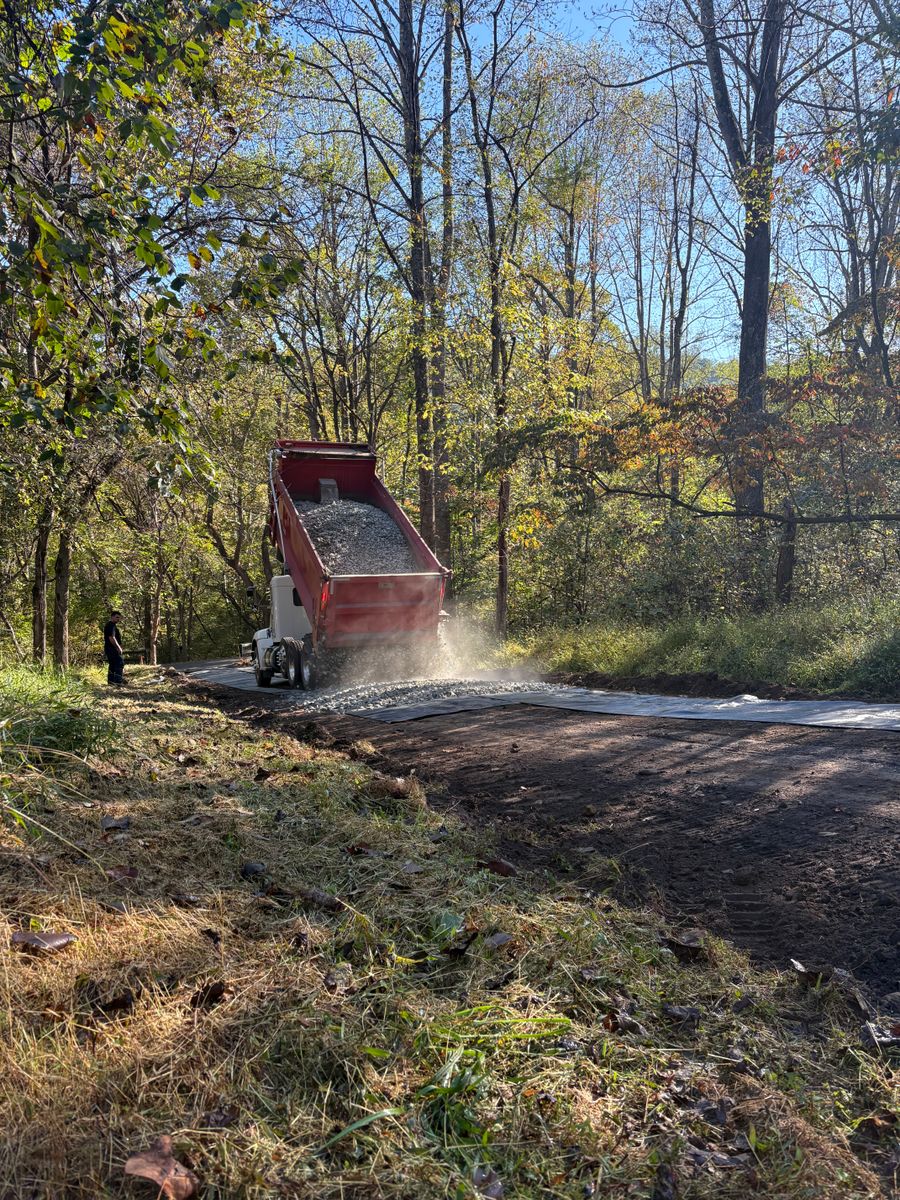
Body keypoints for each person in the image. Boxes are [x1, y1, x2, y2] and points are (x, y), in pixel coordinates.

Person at [103, 610, 126, 686]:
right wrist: (118, 647)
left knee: (112, 664)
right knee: (119, 663)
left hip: (110, 648)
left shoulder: (112, 625)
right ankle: (118, 681)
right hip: (112, 649)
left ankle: (111, 682)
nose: (118, 619)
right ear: (112, 617)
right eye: (116, 617)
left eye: (119, 618)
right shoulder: (111, 625)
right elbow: (111, 637)